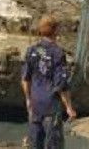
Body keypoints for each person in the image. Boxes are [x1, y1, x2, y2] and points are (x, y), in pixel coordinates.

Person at [21, 15, 77, 149]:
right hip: (51, 105)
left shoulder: (31, 50)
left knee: (35, 143)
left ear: (40, 30)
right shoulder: (57, 53)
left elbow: (25, 78)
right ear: (56, 30)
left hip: (35, 103)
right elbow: (61, 84)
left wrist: (28, 99)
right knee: (54, 143)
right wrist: (69, 107)